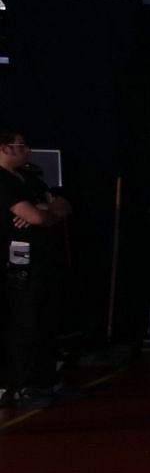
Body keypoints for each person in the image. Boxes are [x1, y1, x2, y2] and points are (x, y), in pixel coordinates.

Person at [1, 128, 70, 407]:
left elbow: (63, 205)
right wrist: (42, 213)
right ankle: (22, 385)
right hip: (18, 264)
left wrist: (46, 210)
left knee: (46, 319)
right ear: (5, 148)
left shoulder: (29, 176)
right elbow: (32, 217)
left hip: (45, 260)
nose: (27, 150)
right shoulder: (2, 181)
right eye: (21, 146)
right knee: (24, 322)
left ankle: (46, 379)